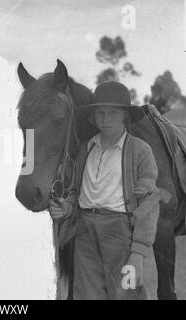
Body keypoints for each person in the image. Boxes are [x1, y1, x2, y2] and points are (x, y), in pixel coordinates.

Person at [50, 81, 161, 300]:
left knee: (126, 292)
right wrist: (67, 207)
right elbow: (75, 190)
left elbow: (149, 203)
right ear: (93, 117)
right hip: (85, 231)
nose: (106, 119)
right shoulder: (86, 148)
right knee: (87, 293)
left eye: (113, 112)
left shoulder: (140, 151)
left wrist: (138, 253)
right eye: (100, 113)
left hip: (119, 232)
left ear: (125, 116)